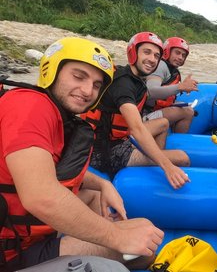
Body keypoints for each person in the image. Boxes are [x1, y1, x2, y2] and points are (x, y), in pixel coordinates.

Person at [0, 37, 164, 271]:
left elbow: (46, 167)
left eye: (97, 85)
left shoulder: (58, 115)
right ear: (51, 71)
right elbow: (41, 196)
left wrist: (103, 184)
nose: (88, 91)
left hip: (28, 234)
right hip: (12, 252)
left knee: (113, 210)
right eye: (78, 76)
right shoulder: (29, 106)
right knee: (133, 255)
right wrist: (116, 237)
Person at [83, 32, 190, 189]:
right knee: (182, 158)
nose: (152, 59)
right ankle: (155, 165)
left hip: (120, 138)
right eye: (146, 52)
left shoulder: (136, 79)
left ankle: (150, 163)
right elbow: (137, 128)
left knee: (163, 123)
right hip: (105, 151)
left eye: (156, 55)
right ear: (133, 53)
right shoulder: (124, 85)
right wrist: (168, 166)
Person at [143, 37, 198, 133]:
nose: (181, 57)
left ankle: (175, 138)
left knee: (187, 108)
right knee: (188, 112)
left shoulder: (172, 70)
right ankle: (177, 144)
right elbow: (150, 91)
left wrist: (180, 89)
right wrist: (180, 87)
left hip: (153, 111)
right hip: (143, 115)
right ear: (167, 51)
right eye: (177, 53)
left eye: (183, 55)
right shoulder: (160, 66)